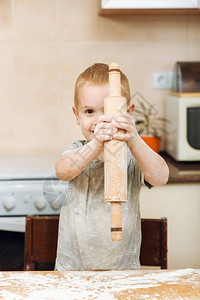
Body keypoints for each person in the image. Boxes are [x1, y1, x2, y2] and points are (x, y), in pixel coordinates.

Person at [55, 63, 169, 271]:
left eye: (109, 111)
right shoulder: (77, 151)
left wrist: (134, 140)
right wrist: (96, 144)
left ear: (128, 113)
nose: (101, 121)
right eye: (90, 111)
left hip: (123, 271)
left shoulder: (132, 156)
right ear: (77, 115)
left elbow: (161, 177)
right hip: (72, 271)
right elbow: (62, 171)